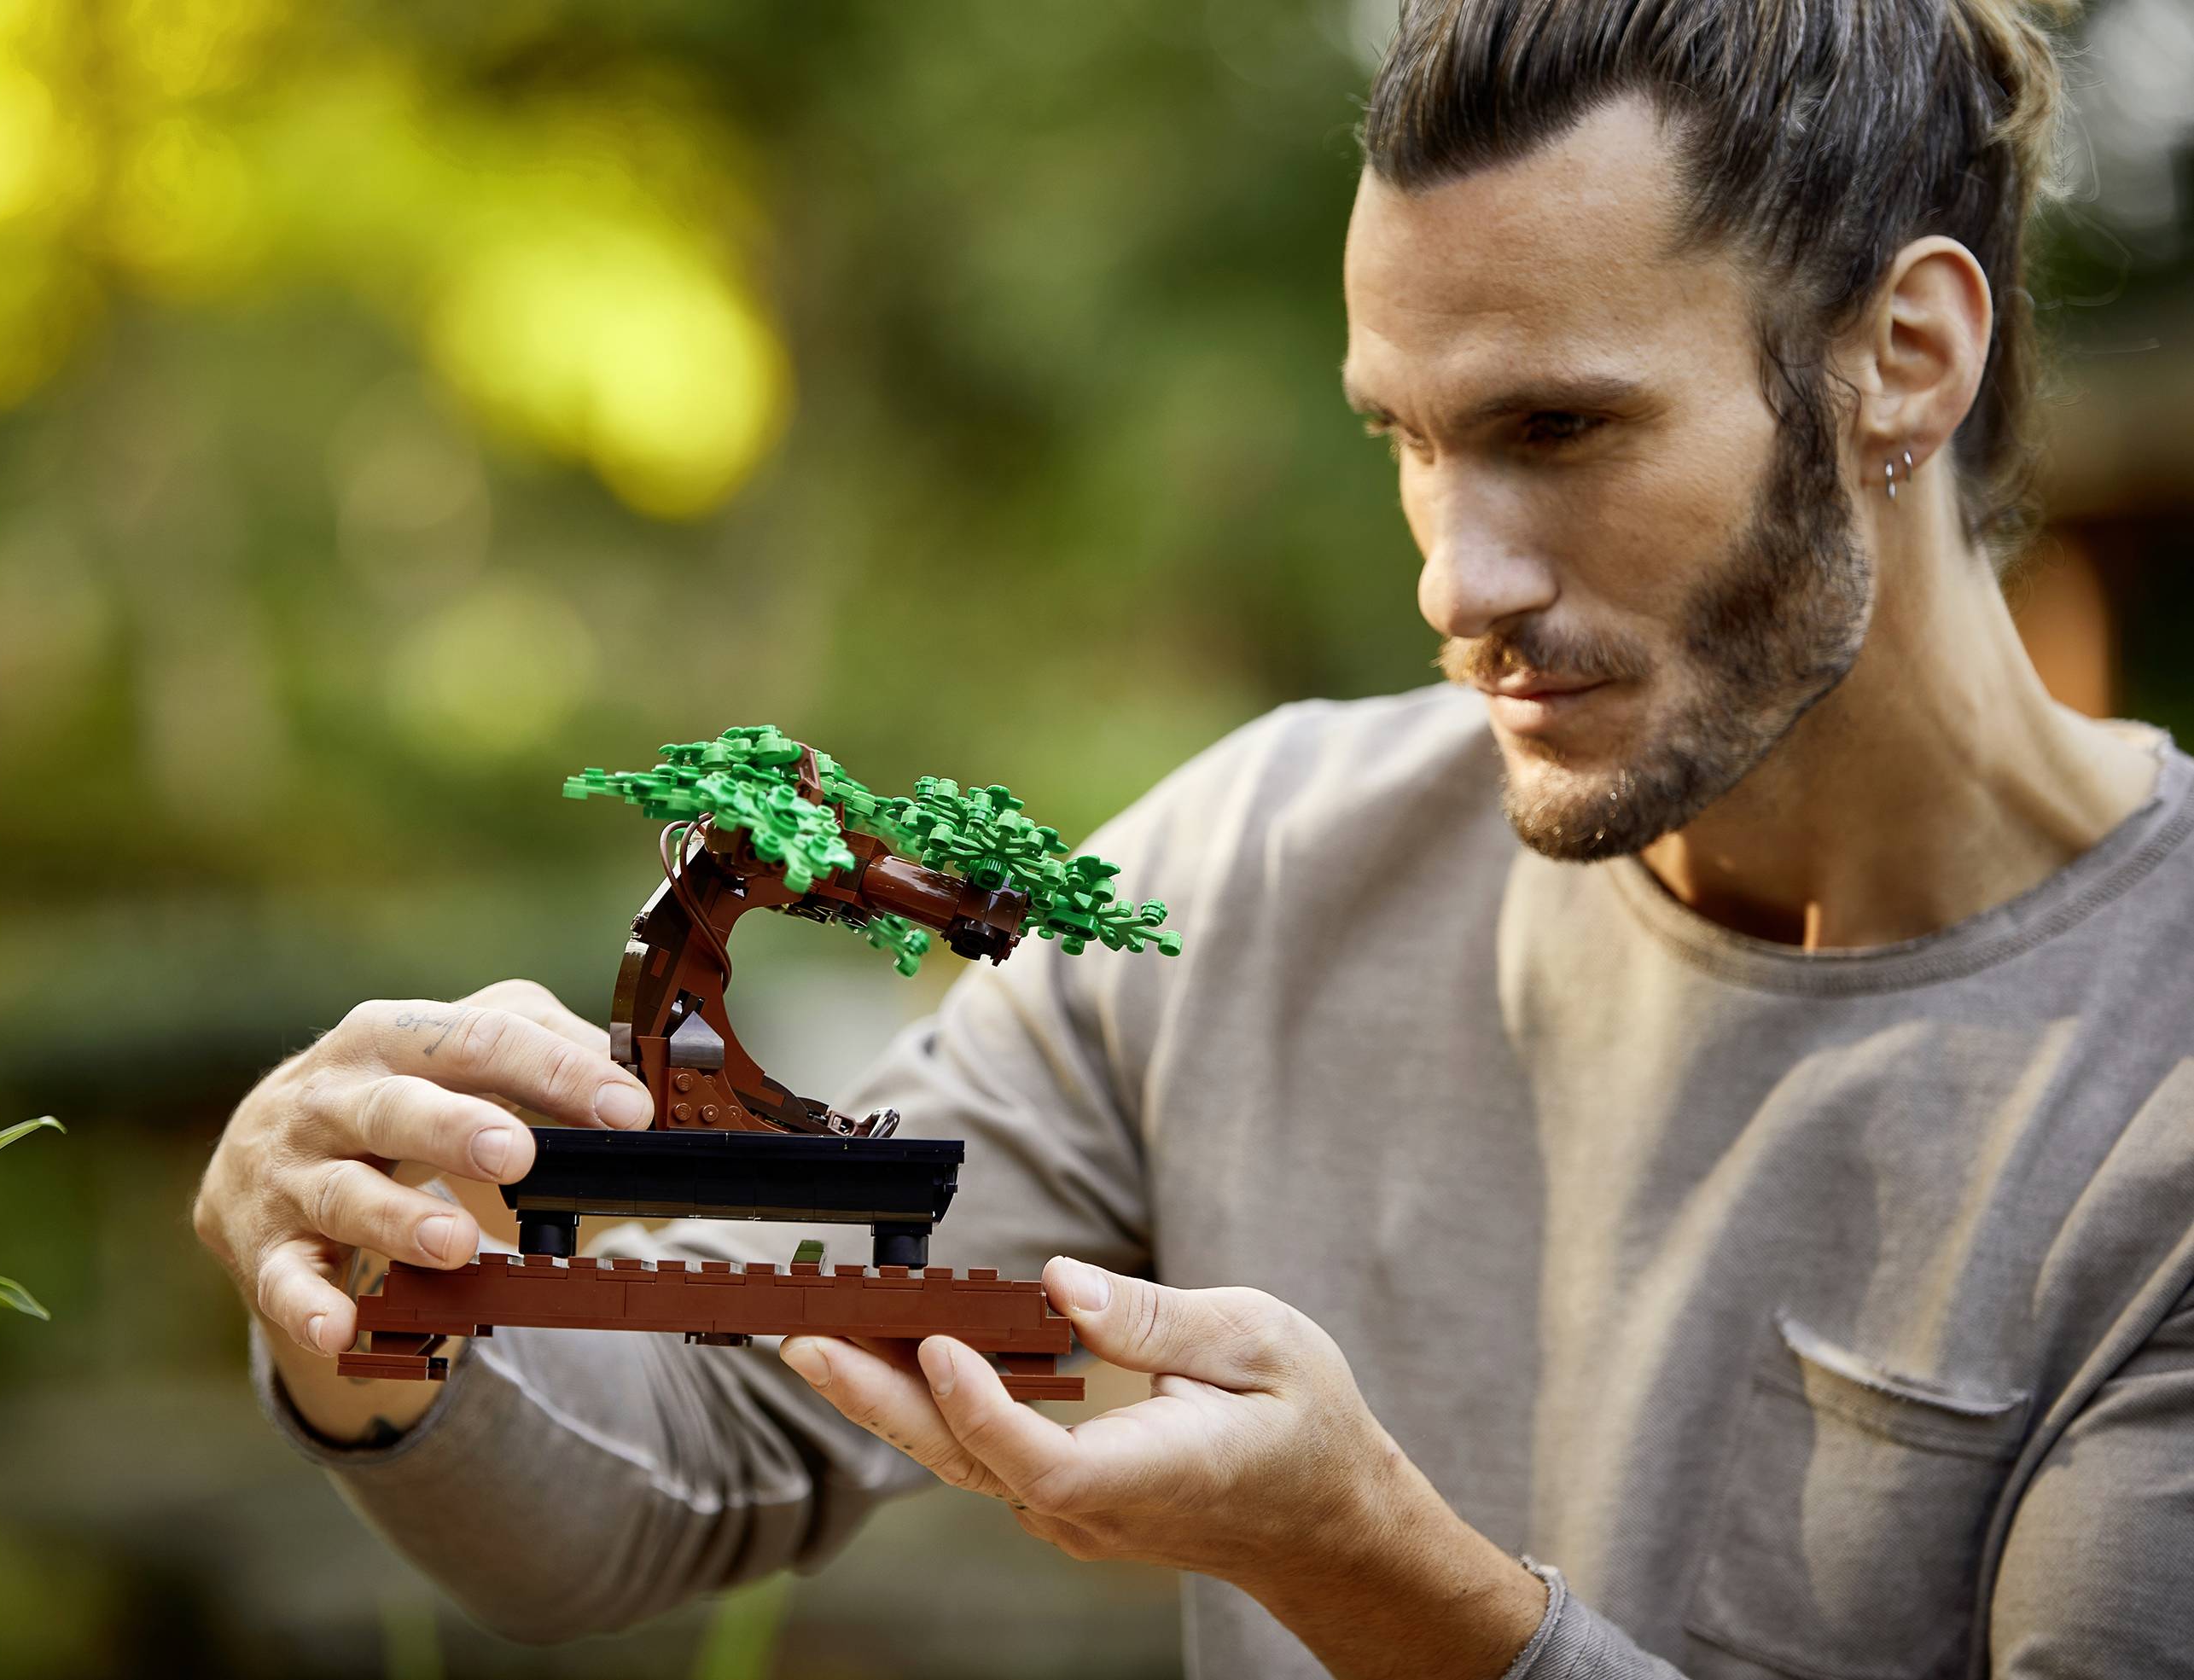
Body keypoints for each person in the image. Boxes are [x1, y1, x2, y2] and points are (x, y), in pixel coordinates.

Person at [193, 1, 2194, 1673]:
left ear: (1903, 357)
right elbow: (688, 1446)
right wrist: (377, 1304)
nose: (1454, 575)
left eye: (1555, 431)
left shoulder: (2156, 1078)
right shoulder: (1252, 870)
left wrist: (1385, 1579)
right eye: (1405, 440)